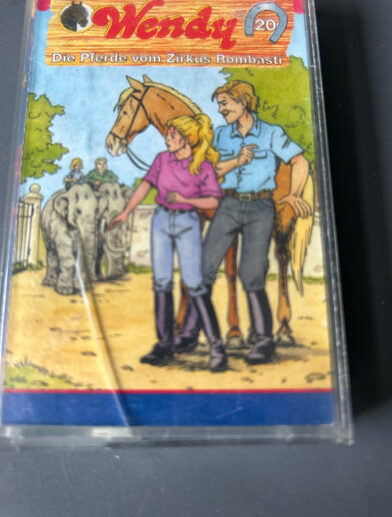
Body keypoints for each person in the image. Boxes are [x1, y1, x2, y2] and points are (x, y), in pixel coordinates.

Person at [174, 81, 312, 365]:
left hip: (260, 208)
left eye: (225, 104)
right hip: (228, 205)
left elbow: (300, 162)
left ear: (243, 102)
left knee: (252, 273)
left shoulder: (271, 133)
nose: (221, 110)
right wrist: (235, 162)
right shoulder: (220, 135)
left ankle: (264, 340)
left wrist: (294, 194)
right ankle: (189, 333)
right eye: (219, 105)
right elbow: (211, 170)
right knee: (202, 270)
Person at [108, 114, 227, 372]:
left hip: (187, 223)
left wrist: (186, 199)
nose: (167, 139)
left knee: (194, 284)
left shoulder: (203, 167)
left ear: (187, 140)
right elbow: (145, 186)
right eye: (168, 135)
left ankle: (217, 348)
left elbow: (213, 201)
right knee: (161, 282)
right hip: (161, 220)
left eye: (172, 135)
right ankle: (165, 344)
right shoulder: (162, 159)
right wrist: (126, 212)